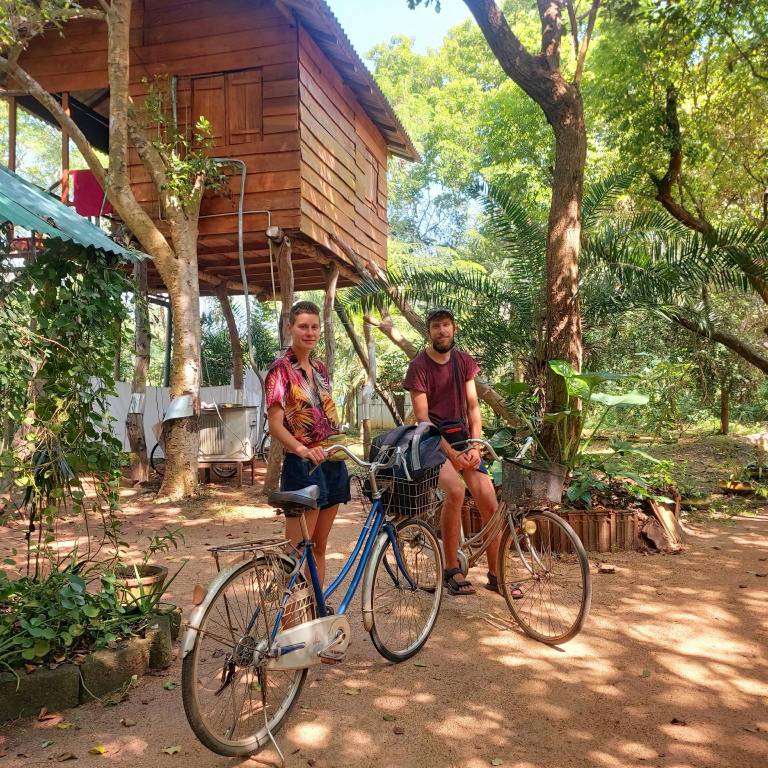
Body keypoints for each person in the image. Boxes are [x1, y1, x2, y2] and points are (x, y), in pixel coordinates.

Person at [404, 308, 515, 597]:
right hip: (432, 441)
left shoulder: (463, 361)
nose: (442, 331)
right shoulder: (418, 366)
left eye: (446, 325)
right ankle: (451, 569)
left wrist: (476, 446)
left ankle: (497, 574)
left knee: (489, 502)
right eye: (436, 326)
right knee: (455, 492)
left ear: (454, 328)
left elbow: (473, 407)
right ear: (429, 331)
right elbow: (423, 420)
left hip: (463, 439)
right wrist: (451, 455)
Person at [265, 300, 349, 586]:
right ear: (290, 328)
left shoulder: (320, 368)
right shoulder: (280, 370)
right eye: (303, 327)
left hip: (332, 462)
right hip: (303, 466)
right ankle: (288, 613)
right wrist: (302, 449)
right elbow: (275, 425)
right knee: (297, 551)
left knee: (320, 547)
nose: (309, 332)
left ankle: (315, 608)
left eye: (314, 327)